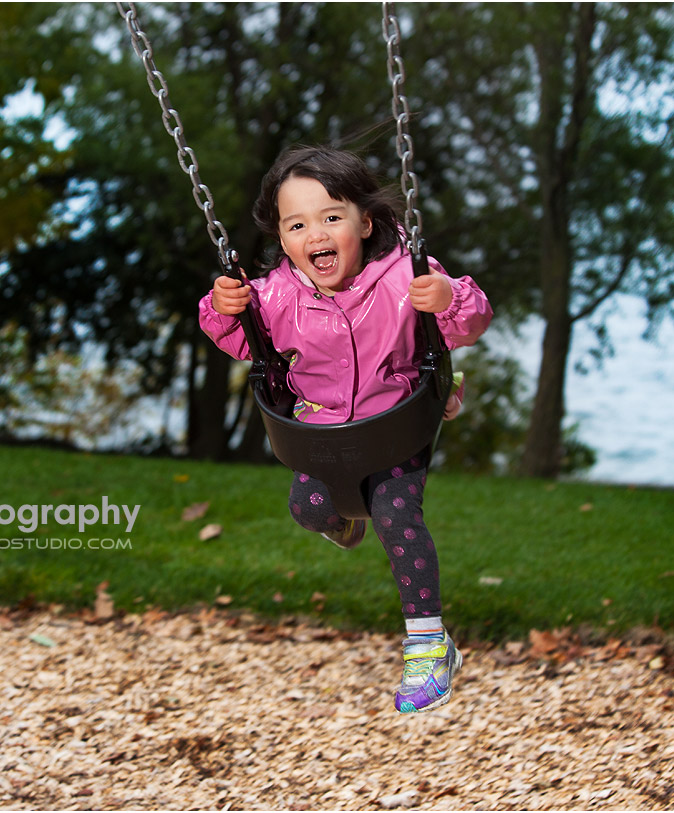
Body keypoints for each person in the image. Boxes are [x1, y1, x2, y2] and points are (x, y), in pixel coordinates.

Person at [198, 146, 492, 713]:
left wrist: (451, 298)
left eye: (332, 216)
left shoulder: (406, 276)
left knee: (396, 514)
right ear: (282, 239)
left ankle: (429, 645)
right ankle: (344, 526)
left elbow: (474, 318)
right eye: (298, 223)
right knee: (309, 508)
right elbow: (237, 341)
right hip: (323, 433)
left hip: (397, 422)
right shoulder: (276, 296)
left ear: (365, 222)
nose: (317, 233)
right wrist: (222, 307)